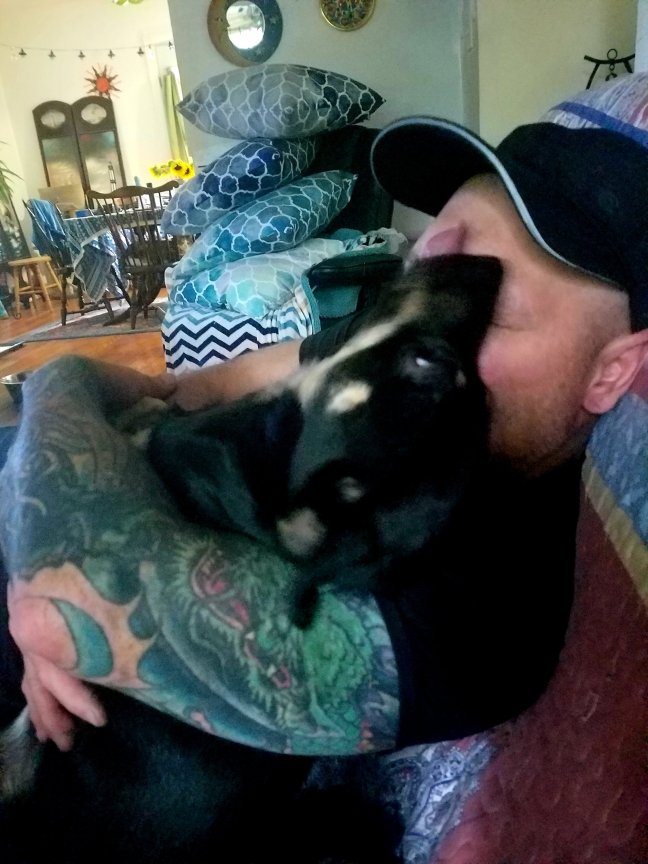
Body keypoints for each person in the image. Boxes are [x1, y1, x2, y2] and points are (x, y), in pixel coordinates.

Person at [1, 116, 647, 762]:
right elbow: (198, 384)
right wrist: (81, 395)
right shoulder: (410, 356)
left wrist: (60, 386)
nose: (422, 299)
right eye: (420, 270)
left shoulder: (482, 623)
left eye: (495, 307)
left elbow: (64, 605)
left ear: (611, 372)